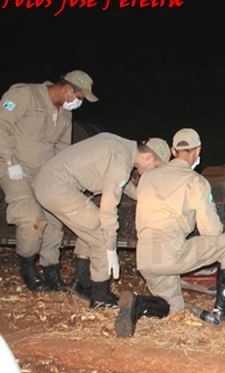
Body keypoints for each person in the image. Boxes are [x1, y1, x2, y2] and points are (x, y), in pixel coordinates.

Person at [115, 128, 225, 338]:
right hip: (171, 253)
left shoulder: (148, 178)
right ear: (198, 150)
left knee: (174, 307)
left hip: (146, 259)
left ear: (173, 150)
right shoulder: (196, 181)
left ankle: (138, 303)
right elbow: (211, 231)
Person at [33, 132, 171, 308]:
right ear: (149, 156)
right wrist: (111, 247)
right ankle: (100, 297)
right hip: (58, 188)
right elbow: (108, 208)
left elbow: (119, 181)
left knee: (89, 225)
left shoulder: (119, 144)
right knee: (100, 234)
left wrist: (140, 196)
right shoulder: (122, 163)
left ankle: (80, 283)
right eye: (157, 166)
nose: (154, 171)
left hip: (47, 181)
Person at [0, 70, 98, 291]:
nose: (79, 103)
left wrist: (66, 178)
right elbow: (1, 125)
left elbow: (62, 149)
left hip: (44, 173)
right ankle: (27, 265)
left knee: (54, 219)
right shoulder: (25, 95)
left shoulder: (65, 113)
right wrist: (9, 161)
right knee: (31, 218)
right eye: (79, 97)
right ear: (67, 89)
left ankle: (50, 271)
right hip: (14, 168)